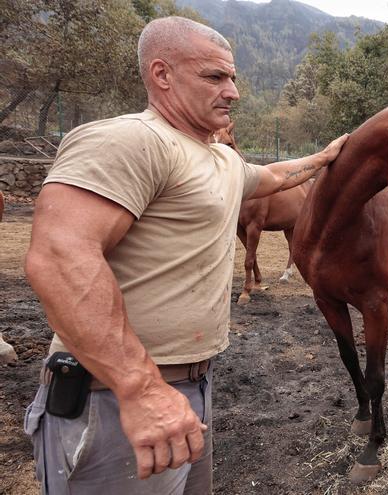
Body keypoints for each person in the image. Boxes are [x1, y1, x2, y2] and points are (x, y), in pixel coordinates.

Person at [22, 16, 347, 494]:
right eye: (215, 77)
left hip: (188, 389)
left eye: (232, 78)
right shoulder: (131, 140)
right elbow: (58, 257)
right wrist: (141, 388)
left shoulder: (219, 159)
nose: (232, 91)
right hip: (114, 396)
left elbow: (274, 176)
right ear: (162, 75)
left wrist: (324, 157)